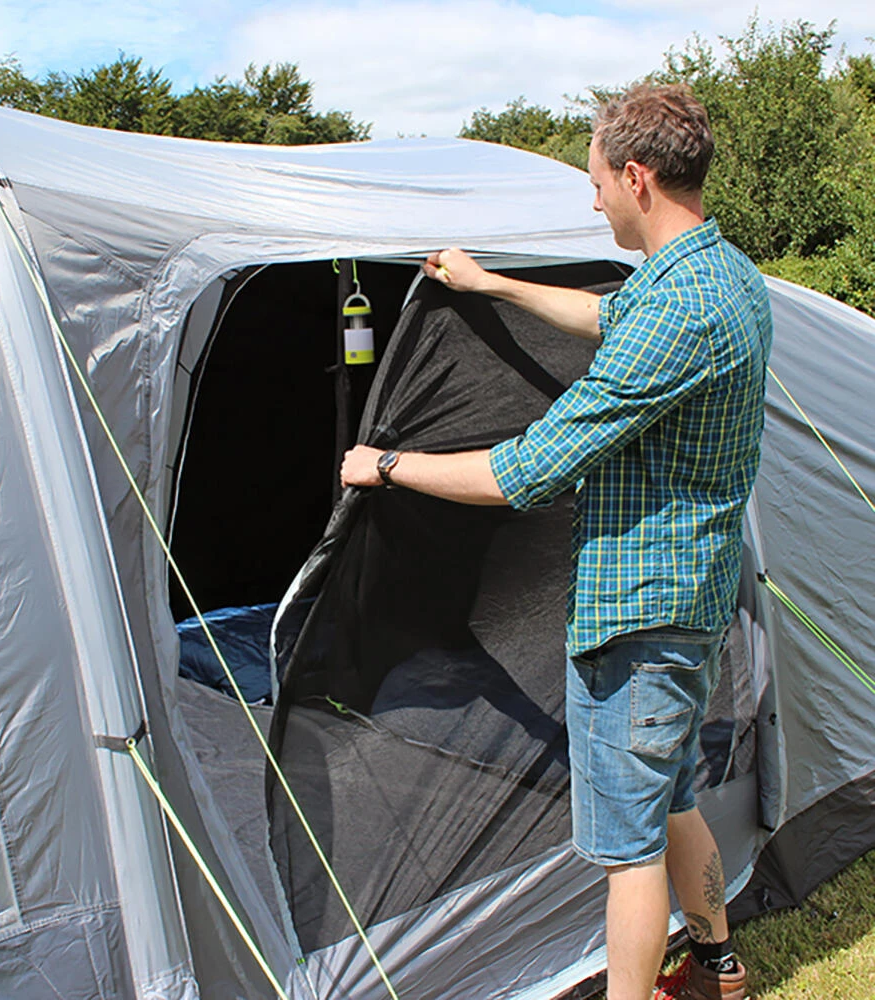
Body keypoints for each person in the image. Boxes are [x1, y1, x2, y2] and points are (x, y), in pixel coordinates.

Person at [341, 83, 771, 1000]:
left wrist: (387, 465)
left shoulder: (681, 310)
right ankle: (718, 967)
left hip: (638, 620)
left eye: (599, 182)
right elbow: (609, 318)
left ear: (636, 177)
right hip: (691, 603)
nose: (594, 200)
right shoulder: (718, 274)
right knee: (673, 796)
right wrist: (489, 283)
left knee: (628, 854)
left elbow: (524, 472)